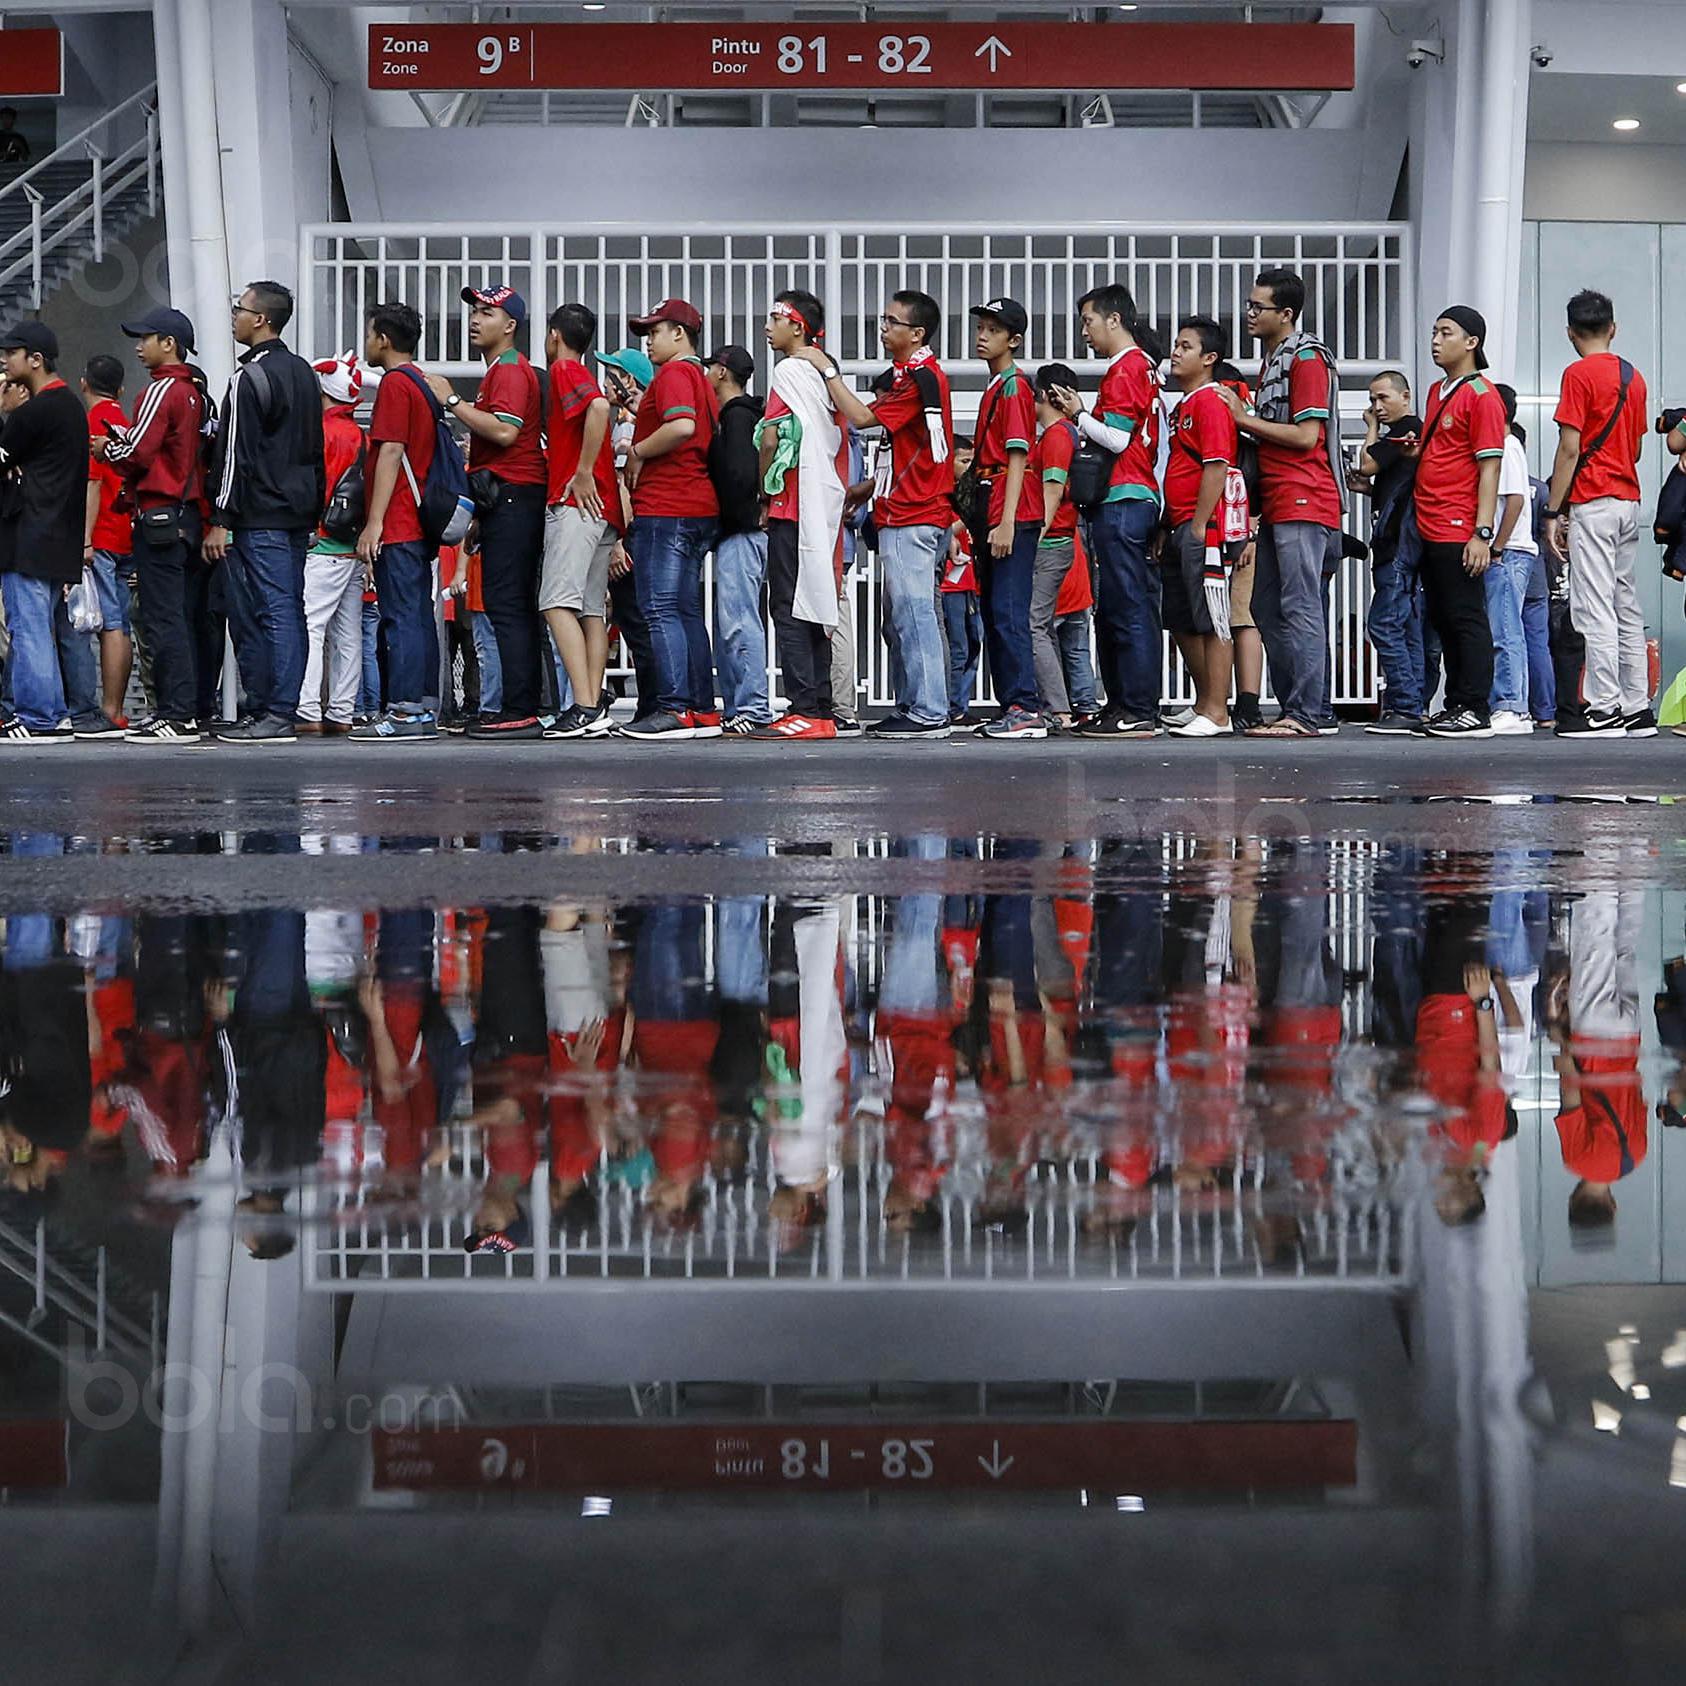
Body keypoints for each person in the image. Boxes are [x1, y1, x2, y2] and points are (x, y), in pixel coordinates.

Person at [799, 290, 955, 740]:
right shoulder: (915, 376)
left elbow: (865, 418)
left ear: (917, 333)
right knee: (902, 616)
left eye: (891, 321)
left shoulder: (919, 378)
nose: (883, 327)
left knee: (915, 613)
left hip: (914, 513)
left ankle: (928, 711)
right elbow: (911, 445)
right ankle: (916, 705)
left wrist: (828, 372)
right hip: (905, 509)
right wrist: (869, 488)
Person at [1219, 267, 1345, 739]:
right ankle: (1299, 706)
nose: (1249, 314)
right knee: (1268, 606)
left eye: (1259, 307)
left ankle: (1308, 713)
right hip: (1277, 500)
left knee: (1299, 604)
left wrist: (1243, 420)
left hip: (1303, 496)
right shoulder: (1275, 359)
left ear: (1286, 314)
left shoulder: (1306, 358)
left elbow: (1306, 435)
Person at [205, 280, 326, 745]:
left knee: (267, 613)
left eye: (239, 309)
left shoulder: (247, 377)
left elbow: (236, 455)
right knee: (286, 610)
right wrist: (313, 510)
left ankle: (274, 712)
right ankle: (273, 711)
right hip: (295, 514)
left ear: (260, 320)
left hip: (260, 515)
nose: (234, 316)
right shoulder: (302, 373)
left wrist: (221, 517)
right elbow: (315, 453)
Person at [1044, 284, 1163, 737]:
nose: (1085, 331)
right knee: (1121, 606)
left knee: (1127, 607)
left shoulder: (1126, 368)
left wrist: (1077, 413)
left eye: (1089, 321)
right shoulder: (1142, 368)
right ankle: (1124, 706)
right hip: (1130, 498)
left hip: (1124, 497)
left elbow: (1116, 439)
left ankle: (1135, 708)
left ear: (1115, 320)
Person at [429, 285, 546, 739]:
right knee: (505, 602)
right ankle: (518, 705)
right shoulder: (500, 371)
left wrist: (452, 401)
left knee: (507, 602)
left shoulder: (511, 371)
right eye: (475, 311)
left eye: (487, 312)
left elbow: (503, 434)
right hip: (507, 496)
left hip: (516, 493)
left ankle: (520, 708)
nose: (475, 319)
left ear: (510, 325)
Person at [1544, 289, 1653, 738]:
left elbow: (1570, 447)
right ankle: (1636, 707)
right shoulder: (1634, 377)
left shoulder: (1577, 374)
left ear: (1570, 332)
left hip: (1593, 501)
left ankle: (1604, 707)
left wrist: (1554, 509)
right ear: (1613, 328)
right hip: (1628, 500)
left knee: (1593, 607)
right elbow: (1639, 446)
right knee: (1625, 603)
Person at [104, 305, 207, 743]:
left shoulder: (162, 390)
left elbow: (137, 452)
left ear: (169, 344)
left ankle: (176, 713)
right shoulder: (194, 392)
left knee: (162, 619)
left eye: (145, 338)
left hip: (160, 516)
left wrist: (104, 449)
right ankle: (183, 709)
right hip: (187, 516)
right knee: (178, 616)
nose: (139, 346)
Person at [620, 297, 721, 742]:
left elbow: (680, 426)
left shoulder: (677, 374)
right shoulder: (698, 377)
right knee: (684, 610)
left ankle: (675, 707)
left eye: (654, 332)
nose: (648, 342)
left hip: (667, 506)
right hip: (695, 505)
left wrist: (636, 450)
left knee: (659, 608)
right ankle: (699, 708)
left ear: (679, 334)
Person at [753, 289, 847, 740]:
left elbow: (771, 438)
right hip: (825, 503)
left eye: (776, 318)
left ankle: (802, 706)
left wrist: (761, 492)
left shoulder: (789, 370)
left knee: (788, 605)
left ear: (798, 326)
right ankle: (822, 709)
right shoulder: (827, 372)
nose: (768, 327)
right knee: (815, 603)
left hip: (792, 502)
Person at [1412, 306, 1506, 739]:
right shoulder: (1438, 391)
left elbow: (1490, 468)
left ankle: (1475, 707)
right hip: (1429, 522)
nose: (1435, 340)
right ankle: (1456, 705)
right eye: (1434, 331)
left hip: (1459, 524)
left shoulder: (1482, 396)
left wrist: (1481, 533)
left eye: (1446, 332)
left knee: (1466, 616)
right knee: (1445, 616)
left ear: (1471, 343)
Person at [354, 301, 440, 742]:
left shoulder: (394, 385)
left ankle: (404, 711)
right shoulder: (421, 383)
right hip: (418, 519)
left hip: (401, 520)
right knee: (418, 615)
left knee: (400, 616)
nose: (367, 342)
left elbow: (389, 450)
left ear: (383, 340)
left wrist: (374, 523)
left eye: (370, 334)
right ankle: (422, 708)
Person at [0, 323, 86, 743]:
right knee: (41, 628)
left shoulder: (35, 412)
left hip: (30, 535)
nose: (4, 360)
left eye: (11, 353)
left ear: (35, 359)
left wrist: (5, 413)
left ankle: (37, 717)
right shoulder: (70, 406)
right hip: (59, 536)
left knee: (28, 627)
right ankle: (52, 713)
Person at [540, 303, 621, 740]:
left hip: (576, 503)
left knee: (556, 603)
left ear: (555, 335)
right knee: (590, 609)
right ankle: (593, 704)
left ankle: (585, 706)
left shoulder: (564, 370)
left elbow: (598, 409)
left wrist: (583, 470)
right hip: (603, 509)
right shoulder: (580, 371)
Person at [964, 298, 1044, 739]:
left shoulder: (1014, 386)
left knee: (1009, 610)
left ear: (1012, 340)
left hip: (1012, 506)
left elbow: (1018, 455)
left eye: (993, 330)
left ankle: (1024, 706)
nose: (982, 335)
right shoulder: (997, 385)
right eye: (981, 327)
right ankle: (1011, 704)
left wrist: (1008, 520)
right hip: (997, 504)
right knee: (997, 611)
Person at [1160, 315, 1238, 737]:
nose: (1176, 352)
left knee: (1212, 618)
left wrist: (1199, 523)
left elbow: (1217, 465)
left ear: (1209, 358)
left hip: (1202, 528)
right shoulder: (1185, 404)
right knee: (1184, 619)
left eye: (1186, 346)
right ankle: (1202, 701)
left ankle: (1217, 711)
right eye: (1176, 344)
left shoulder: (1210, 401)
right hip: (1179, 524)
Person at [1350, 370, 1430, 733]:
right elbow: (1391, 482)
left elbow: (1367, 463)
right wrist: (1372, 491)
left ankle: (1406, 706)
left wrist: (1370, 430)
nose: (1376, 407)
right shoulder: (1409, 438)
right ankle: (1416, 705)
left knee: (1383, 624)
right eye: (1372, 400)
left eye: (1383, 398)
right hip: (1403, 543)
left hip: (1398, 545)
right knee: (1407, 628)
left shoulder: (1406, 431)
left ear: (1406, 396)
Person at [296, 352, 366, 735]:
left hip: (322, 543)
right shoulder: (360, 435)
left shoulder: (321, 432)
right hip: (352, 545)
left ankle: (307, 708)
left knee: (312, 625)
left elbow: (313, 486)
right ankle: (342, 711)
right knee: (348, 632)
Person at [704, 342, 771, 734]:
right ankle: (739, 706)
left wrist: (737, 512)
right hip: (740, 531)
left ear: (722, 372)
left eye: (710, 366)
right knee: (735, 620)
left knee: (739, 621)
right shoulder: (739, 415)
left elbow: (741, 475)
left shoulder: (737, 416)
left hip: (742, 532)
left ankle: (752, 707)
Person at [597, 347, 658, 722]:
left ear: (629, 381)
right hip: (638, 532)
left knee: (638, 622)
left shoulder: (626, 424)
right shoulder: (632, 419)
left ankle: (651, 705)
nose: (603, 382)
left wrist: (619, 541)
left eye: (610, 374)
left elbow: (623, 485)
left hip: (631, 534)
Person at [80, 354, 136, 727]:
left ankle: (110, 708)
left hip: (101, 536)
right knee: (122, 622)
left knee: (108, 624)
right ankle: (116, 706)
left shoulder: (90, 425)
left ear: (83, 383)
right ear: (120, 389)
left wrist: (84, 540)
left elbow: (93, 484)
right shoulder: (127, 424)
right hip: (127, 533)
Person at [1029, 365, 1083, 728]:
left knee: (1033, 624)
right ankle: (1059, 705)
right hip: (1055, 540)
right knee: (1043, 625)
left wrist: (1032, 537)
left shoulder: (1057, 436)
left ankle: (1058, 709)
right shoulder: (1059, 434)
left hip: (1050, 542)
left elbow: (1051, 491)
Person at [1486, 384, 1538, 736]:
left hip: (1510, 551)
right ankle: (1511, 704)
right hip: (1512, 550)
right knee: (1506, 629)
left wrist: (1497, 547)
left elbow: (1515, 500)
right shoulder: (1505, 447)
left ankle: (1511, 705)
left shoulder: (1506, 446)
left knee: (1504, 630)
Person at [940, 435, 983, 724]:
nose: (969, 467)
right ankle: (952, 704)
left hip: (971, 581)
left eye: (972, 461)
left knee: (973, 645)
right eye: (963, 461)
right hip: (950, 583)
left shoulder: (969, 494)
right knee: (958, 646)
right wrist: (970, 516)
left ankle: (961, 703)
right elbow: (943, 530)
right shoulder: (945, 496)